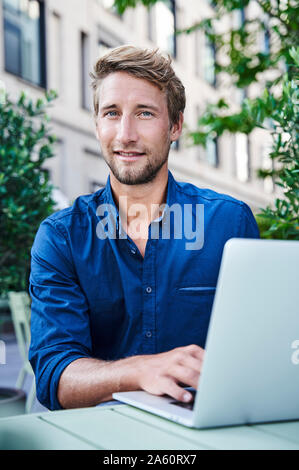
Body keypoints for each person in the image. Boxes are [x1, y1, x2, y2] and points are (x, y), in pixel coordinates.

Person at [29, 46, 259, 411]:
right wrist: (140, 371)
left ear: (175, 126)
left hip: (207, 430)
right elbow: (55, 377)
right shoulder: (62, 238)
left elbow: (259, 351)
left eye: (145, 113)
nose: (126, 134)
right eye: (112, 113)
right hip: (102, 435)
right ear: (97, 123)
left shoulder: (230, 223)